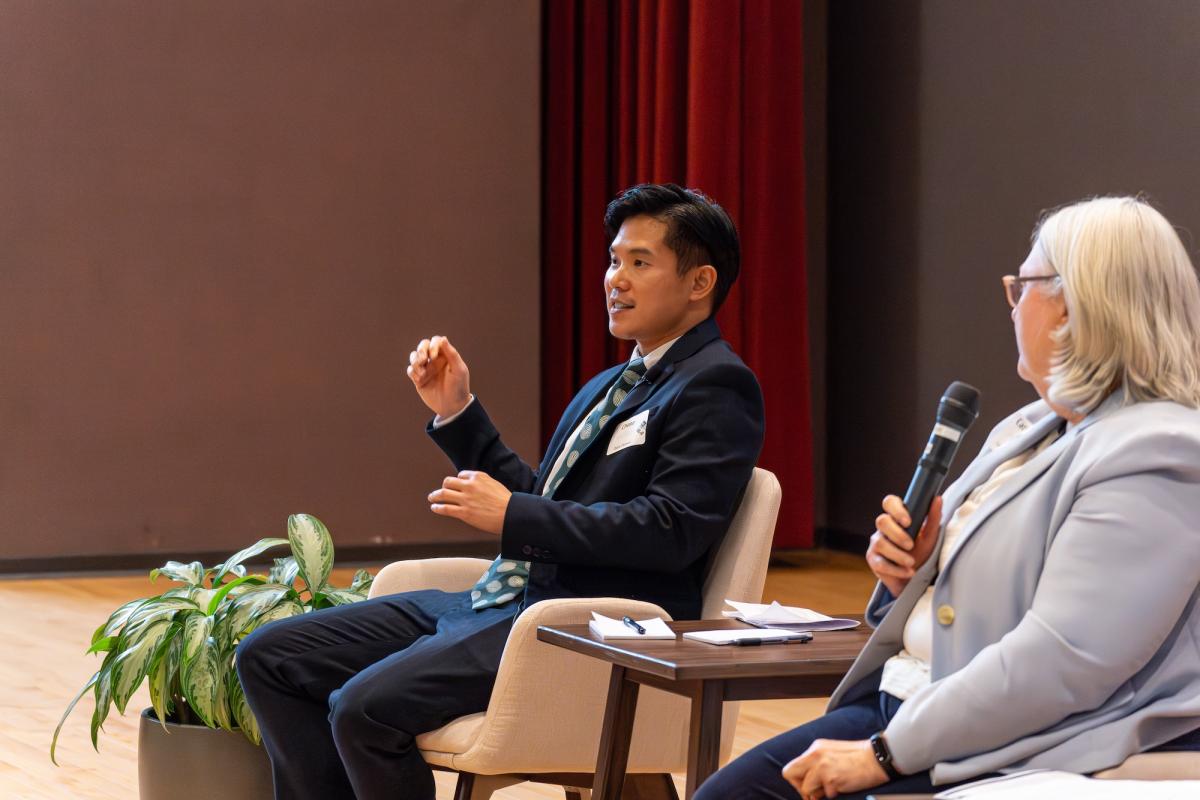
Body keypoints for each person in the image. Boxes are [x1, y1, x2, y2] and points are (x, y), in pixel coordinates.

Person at [237, 183, 765, 799]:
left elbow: (670, 531)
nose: (614, 279)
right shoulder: (609, 384)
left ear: (700, 282)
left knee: (365, 709)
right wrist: (458, 413)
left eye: (639, 263)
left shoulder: (717, 385)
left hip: (584, 624)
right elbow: (546, 498)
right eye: (614, 260)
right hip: (502, 604)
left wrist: (514, 515)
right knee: (270, 656)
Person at [696, 196, 1200, 800]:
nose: (1011, 307)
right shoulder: (1028, 426)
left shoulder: (1157, 450)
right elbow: (950, 606)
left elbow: (1065, 661)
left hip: (1020, 739)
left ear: (1071, 307)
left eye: (1023, 287)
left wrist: (884, 755)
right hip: (912, 702)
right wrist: (907, 572)